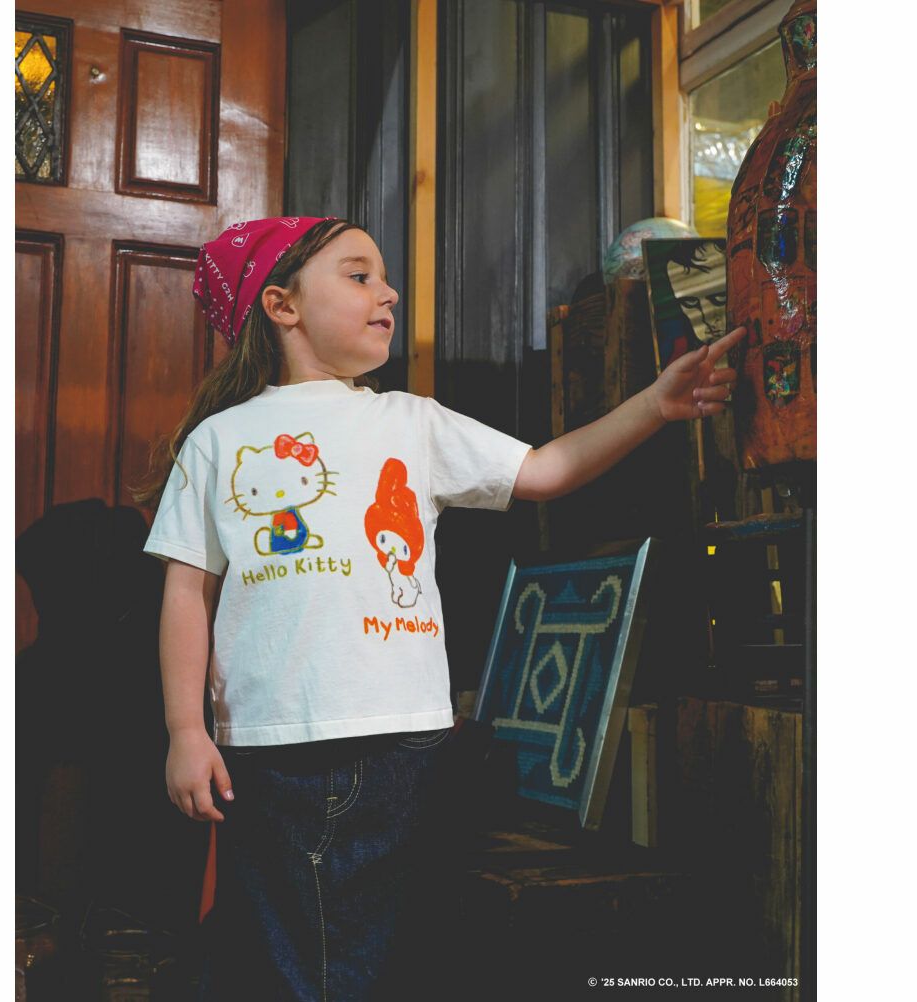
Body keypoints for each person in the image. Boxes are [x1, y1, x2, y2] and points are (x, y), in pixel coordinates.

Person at [136, 215, 745, 1001]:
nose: (388, 292)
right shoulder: (219, 440)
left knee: (385, 958)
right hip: (270, 749)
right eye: (359, 275)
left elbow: (545, 469)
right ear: (282, 306)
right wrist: (185, 731)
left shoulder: (410, 421)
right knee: (291, 959)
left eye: (385, 277)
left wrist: (654, 405)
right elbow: (186, 591)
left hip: (406, 746)